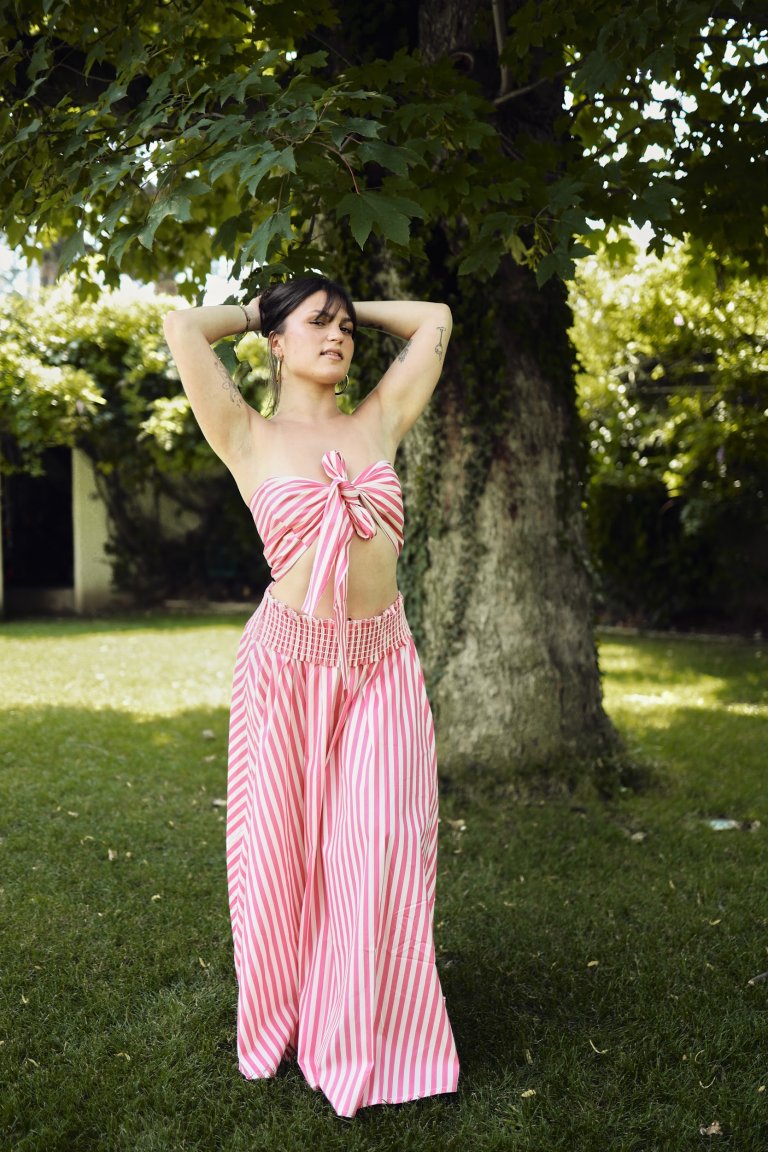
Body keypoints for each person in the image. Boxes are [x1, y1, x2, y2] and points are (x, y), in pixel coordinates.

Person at [163, 277, 459, 1117]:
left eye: (345, 328)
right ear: (276, 342)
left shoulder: (378, 420)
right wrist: (262, 309)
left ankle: (363, 1030)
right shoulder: (246, 433)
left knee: (380, 842)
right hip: (287, 667)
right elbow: (183, 326)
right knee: (280, 858)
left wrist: (349, 306)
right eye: (316, 324)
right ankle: (288, 1012)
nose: (337, 336)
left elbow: (435, 320)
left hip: (380, 662)